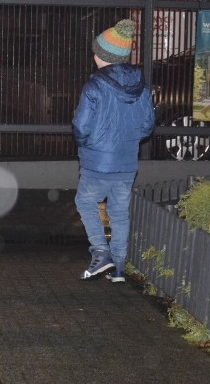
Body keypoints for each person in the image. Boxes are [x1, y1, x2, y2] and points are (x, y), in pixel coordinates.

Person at [72, 19, 155, 282]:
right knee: (119, 212)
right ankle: (119, 267)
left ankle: (100, 253)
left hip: (98, 160)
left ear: (103, 56)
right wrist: (127, 142)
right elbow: (147, 125)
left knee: (85, 201)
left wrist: (88, 143)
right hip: (127, 162)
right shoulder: (140, 86)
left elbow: (80, 125)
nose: (93, 55)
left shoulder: (95, 85)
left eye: (96, 51)